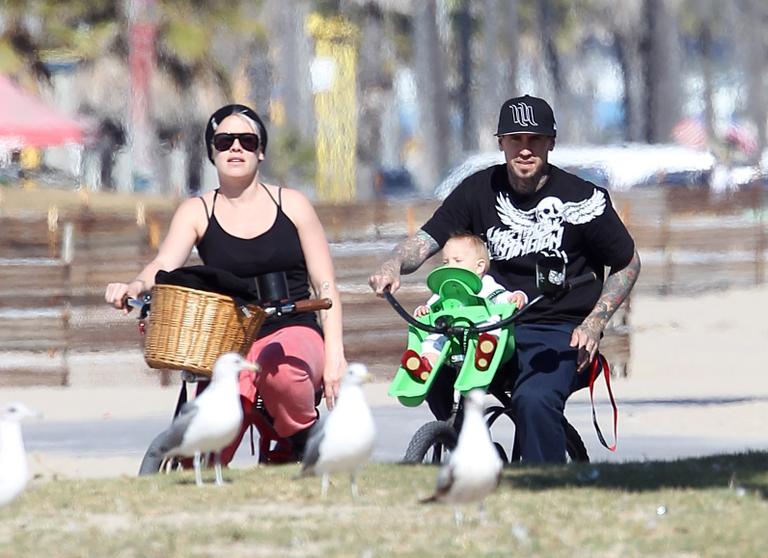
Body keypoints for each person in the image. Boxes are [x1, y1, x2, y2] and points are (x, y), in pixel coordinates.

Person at [370, 94, 641, 463]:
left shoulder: (583, 198)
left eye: (535, 140)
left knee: (533, 400)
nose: (524, 150)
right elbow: (426, 240)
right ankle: (473, 448)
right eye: (515, 139)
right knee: (430, 367)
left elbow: (627, 262)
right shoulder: (477, 190)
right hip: (487, 324)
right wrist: (393, 264)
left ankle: (539, 488)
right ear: (501, 143)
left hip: (555, 330)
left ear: (551, 143)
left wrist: (595, 322)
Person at [106, 103, 346, 461]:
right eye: (225, 141)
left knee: (282, 375)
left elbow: (327, 287)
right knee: (210, 429)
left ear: (261, 151)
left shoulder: (293, 205)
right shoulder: (196, 211)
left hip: (293, 325)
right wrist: (135, 287)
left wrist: (335, 358)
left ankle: (300, 439)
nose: (236, 148)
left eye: (247, 141)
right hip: (229, 336)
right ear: (212, 151)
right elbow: (163, 265)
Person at [401, 232, 528, 379]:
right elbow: (431, 307)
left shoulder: (486, 285)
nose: (449, 266)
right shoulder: (444, 290)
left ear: (479, 266)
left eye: (457, 260)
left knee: (493, 327)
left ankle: (486, 351)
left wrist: (517, 296)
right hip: (452, 337)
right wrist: (424, 310)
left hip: (479, 332)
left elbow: (502, 296)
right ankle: (425, 365)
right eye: (445, 262)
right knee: (433, 340)